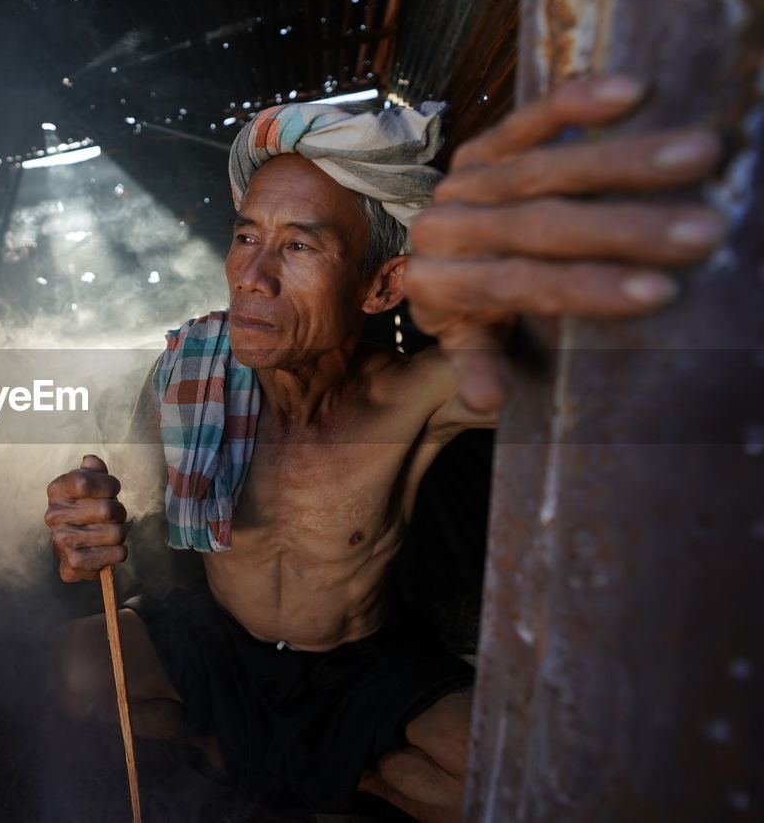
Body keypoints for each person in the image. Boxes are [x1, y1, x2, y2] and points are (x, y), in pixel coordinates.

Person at [44, 76, 724, 822]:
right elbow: (132, 529)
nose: (252, 276)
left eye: (299, 245)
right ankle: (269, 759)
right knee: (73, 669)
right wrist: (90, 526)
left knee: (528, 782)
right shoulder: (189, 375)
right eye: (247, 235)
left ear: (383, 284)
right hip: (222, 639)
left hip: (359, 666)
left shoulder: (416, 395)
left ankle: (328, 770)